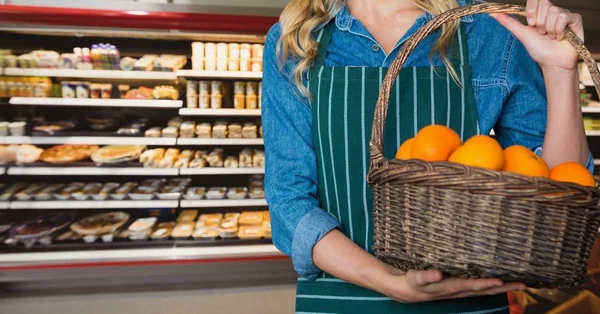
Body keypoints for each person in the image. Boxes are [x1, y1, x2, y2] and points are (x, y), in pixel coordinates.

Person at [262, 0, 593, 312]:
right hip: (343, 296)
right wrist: (390, 281)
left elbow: (558, 186)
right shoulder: (297, 40)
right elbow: (289, 201)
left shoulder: (485, 30)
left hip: (461, 300)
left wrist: (559, 70)